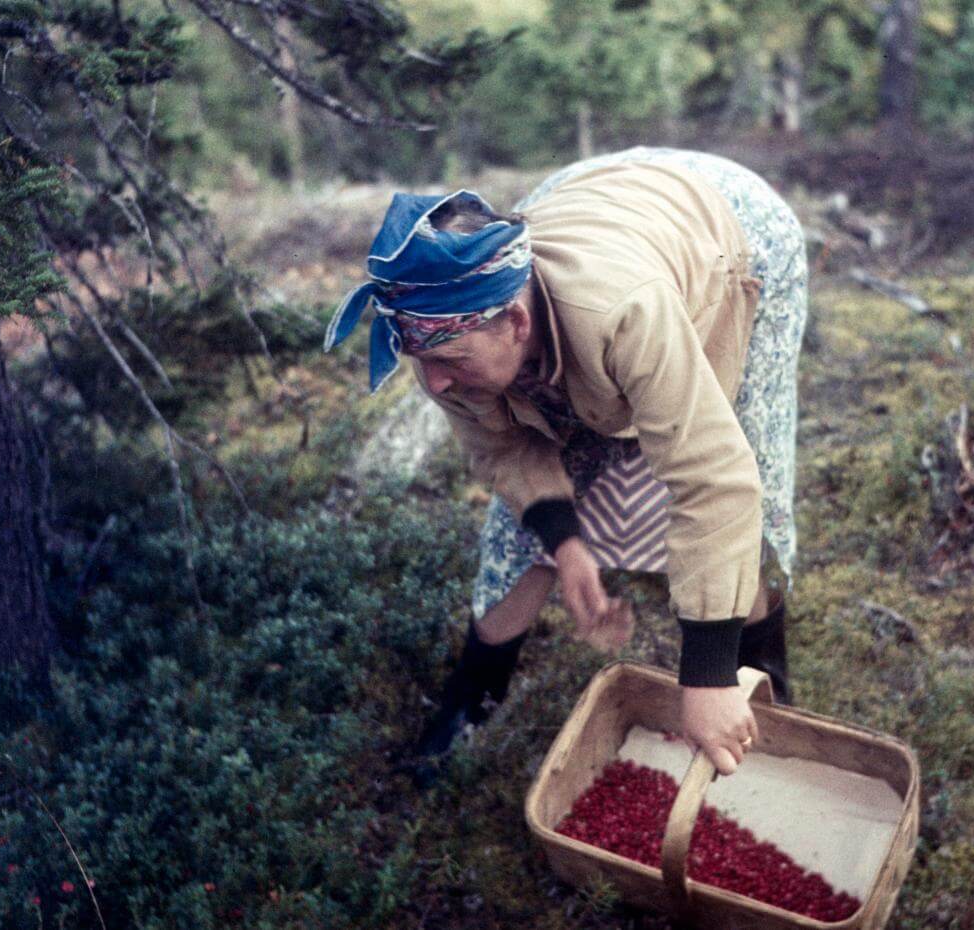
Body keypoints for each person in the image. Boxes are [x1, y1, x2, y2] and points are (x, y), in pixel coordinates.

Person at [325, 147, 807, 779]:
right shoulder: (440, 332)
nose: (435, 385)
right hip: (593, 201)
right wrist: (567, 543)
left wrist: (706, 675)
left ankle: (757, 668)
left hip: (729, 233)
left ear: (517, 321)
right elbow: (505, 450)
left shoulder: (625, 313)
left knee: (741, 455)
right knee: (524, 497)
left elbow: (713, 479)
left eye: (450, 362)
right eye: (421, 360)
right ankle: (475, 695)